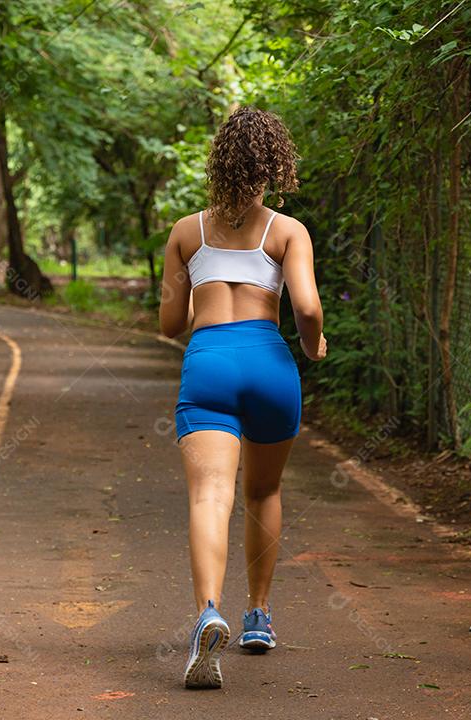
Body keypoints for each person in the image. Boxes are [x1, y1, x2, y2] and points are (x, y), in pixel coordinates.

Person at [158, 106, 326, 689]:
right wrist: (314, 345)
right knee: (264, 490)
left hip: (210, 363)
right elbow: (307, 308)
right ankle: (258, 615)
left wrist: (195, 294)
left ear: (219, 164)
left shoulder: (187, 233)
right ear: (273, 166)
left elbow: (169, 325)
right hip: (269, 364)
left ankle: (209, 611)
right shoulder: (287, 231)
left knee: (211, 493)